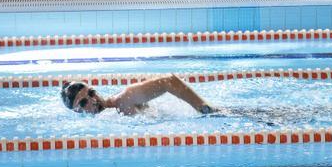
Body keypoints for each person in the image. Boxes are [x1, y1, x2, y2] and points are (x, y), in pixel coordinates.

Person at [60, 75, 215, 115]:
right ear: (77, 112)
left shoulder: (125, 99)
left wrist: (203, 108)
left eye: (92, 93)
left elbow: (169, 81)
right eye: (83, 103)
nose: (93, 101)